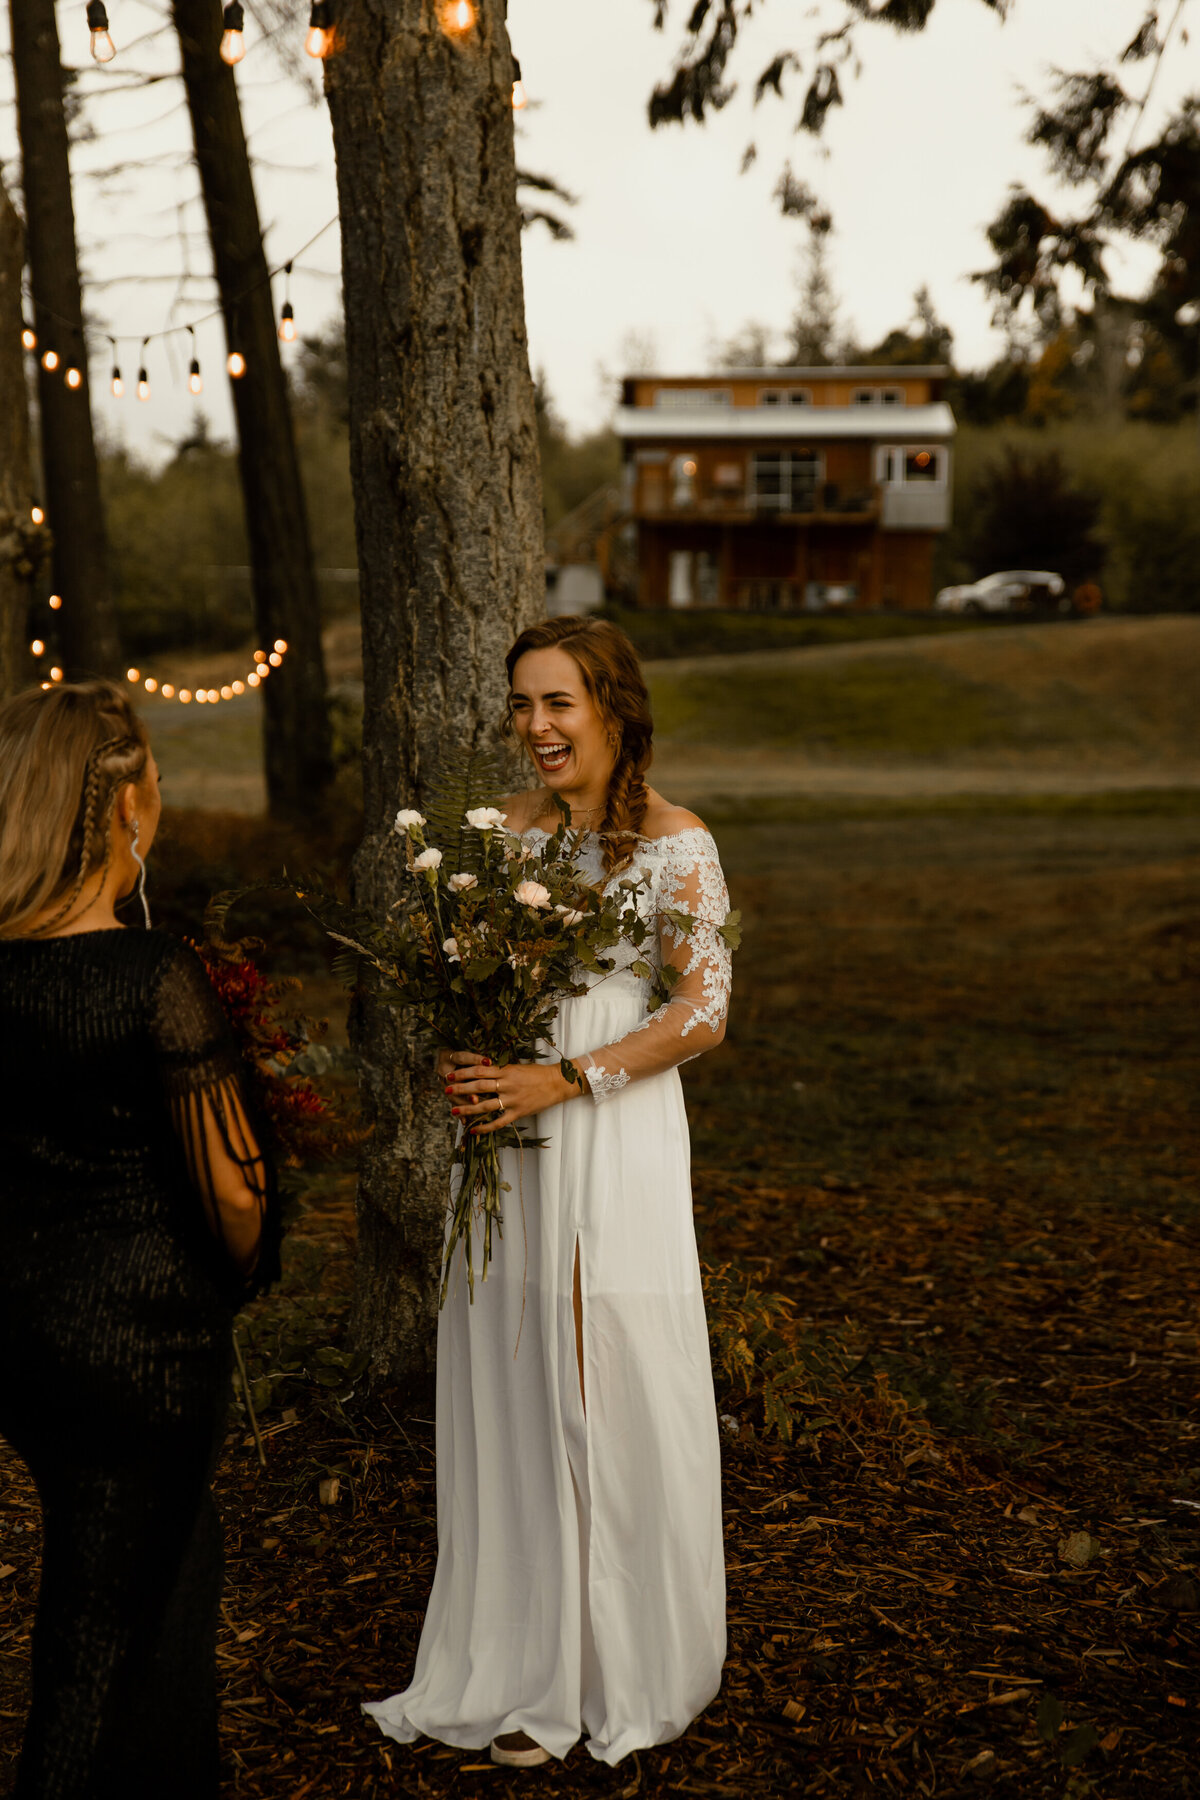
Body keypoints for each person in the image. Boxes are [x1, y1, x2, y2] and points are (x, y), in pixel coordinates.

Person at [363, 617, 731, 1768]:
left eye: (558, 703)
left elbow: (701, 1011)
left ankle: (619, 1661)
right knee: (512, 1374)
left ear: (613, 706)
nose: (535, 727)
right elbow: (472, 979)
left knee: (598, 1373)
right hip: (508, 1150)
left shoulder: (676, 843)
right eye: (522, 704)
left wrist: (563, 1077)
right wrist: (466, 1052)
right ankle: (518, 1655)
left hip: (609, 1136)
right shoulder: (500, 838)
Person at [0, 679, 279, 1799]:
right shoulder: (151, 976)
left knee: (167, 1572)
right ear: (122, 808)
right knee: (96, 1638)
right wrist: (241, 1270)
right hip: (139, 1351)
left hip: (22, 1336)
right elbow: (238, 1195)